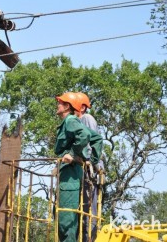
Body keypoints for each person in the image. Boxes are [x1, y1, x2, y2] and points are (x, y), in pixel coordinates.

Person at [54, 92, 103, 242]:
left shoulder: (71, 120)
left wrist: (72, 154)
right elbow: (97, 138)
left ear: (67, 106)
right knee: (70, 220)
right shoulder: (73, 121)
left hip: (70, 175)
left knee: (66, 222)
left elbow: (85, 136)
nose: (57, 105)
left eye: (60, 103)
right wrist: (91, 160)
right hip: (70, 174)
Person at [74, 92, 104, 242]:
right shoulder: (75, 122)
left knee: (88, 211)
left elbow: (92, 143)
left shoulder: (87, 118)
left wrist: (90, 163)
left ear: (83, 107)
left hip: (90, 171)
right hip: (82, 170)